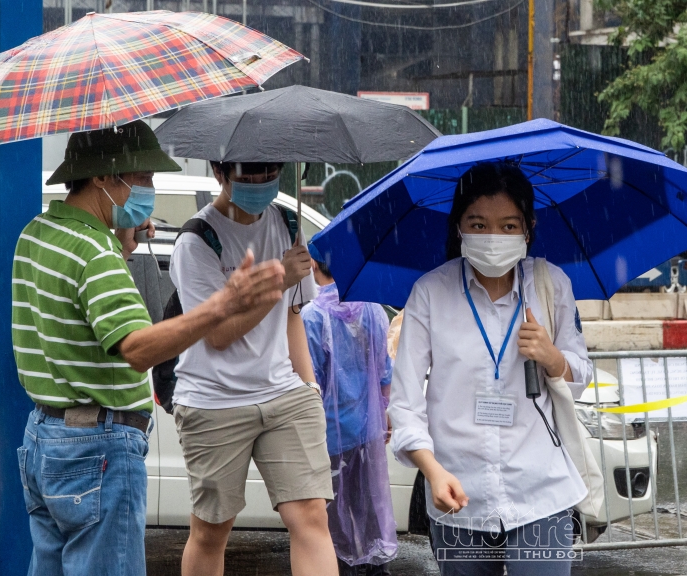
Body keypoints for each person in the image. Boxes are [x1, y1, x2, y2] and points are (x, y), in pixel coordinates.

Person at [13, 121, 286, 576]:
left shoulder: (38, 233)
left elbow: (78, 317)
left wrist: (123, 239)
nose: (151, 190)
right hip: (96, 450)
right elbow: (138, 349)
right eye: (143, 178)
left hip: (45, 440)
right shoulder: (93, 254)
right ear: (103, 178)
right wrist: (222, 304)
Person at [387, 161, 594, 576]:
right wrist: (432, 471)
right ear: (459, 227)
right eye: (478, 225)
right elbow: (405, 405)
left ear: (528, 228)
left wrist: (552, 357)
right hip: (457, 494)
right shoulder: (430, 292)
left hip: (541, 490)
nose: (493, 238)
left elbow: (581, 373)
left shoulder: (551, 285)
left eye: (508, 225)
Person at [169, 160, 339, 576]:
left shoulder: (287, 220)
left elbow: (293, 316)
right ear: (219, 172)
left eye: (269, 171)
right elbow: (218, 333)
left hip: (284, 393)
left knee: (312, 517)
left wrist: (310, 387)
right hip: (214, 402)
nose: (261, 182)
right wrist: (278, 279)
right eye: (249, 172)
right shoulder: (196, 240)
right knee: (212, 530)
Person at [302, 248, 398, 575]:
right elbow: (385, 373)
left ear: (314, 264)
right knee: (369, 521)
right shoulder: (373, 310)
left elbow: (309, 383)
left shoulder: (312, 316)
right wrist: (383, 415)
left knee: (329, 529)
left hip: (326, 438)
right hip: (368, 432)